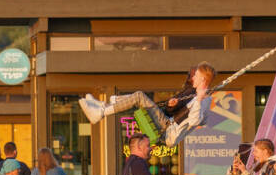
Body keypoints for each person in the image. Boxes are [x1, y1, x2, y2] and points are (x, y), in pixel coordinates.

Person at [78, 62, 216, 147]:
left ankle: (101, 111)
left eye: (196, 75)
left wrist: (199, 100)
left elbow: (195, 120)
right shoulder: (198, 95)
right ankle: (104, 106)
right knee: (138, 99)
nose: (193, 78)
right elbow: (203, 120)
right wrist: (177, 105)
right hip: (168, 124)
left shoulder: (202, 99)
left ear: (203, 78)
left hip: (168, 131)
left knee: (139, 96)